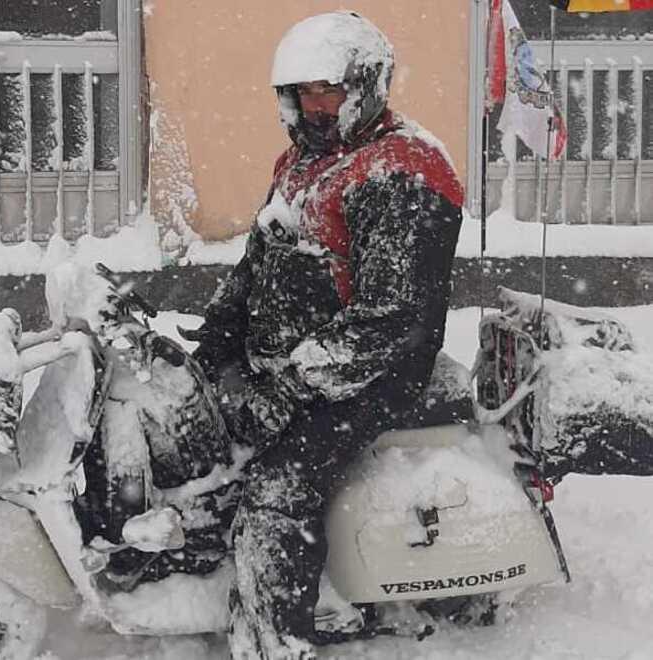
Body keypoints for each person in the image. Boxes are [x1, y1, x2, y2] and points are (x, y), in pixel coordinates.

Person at [187, 11, 465, 659]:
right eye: (303, 93)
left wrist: (289, 388)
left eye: (329, 91)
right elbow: (258, 263)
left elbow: (391, 316)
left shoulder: (401, 169)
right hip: (298, 359)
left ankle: (278, 642)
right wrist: (216, 339)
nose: (315, 106)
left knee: (276, 487)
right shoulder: (302, 162)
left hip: (372, 374)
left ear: (366, 86)